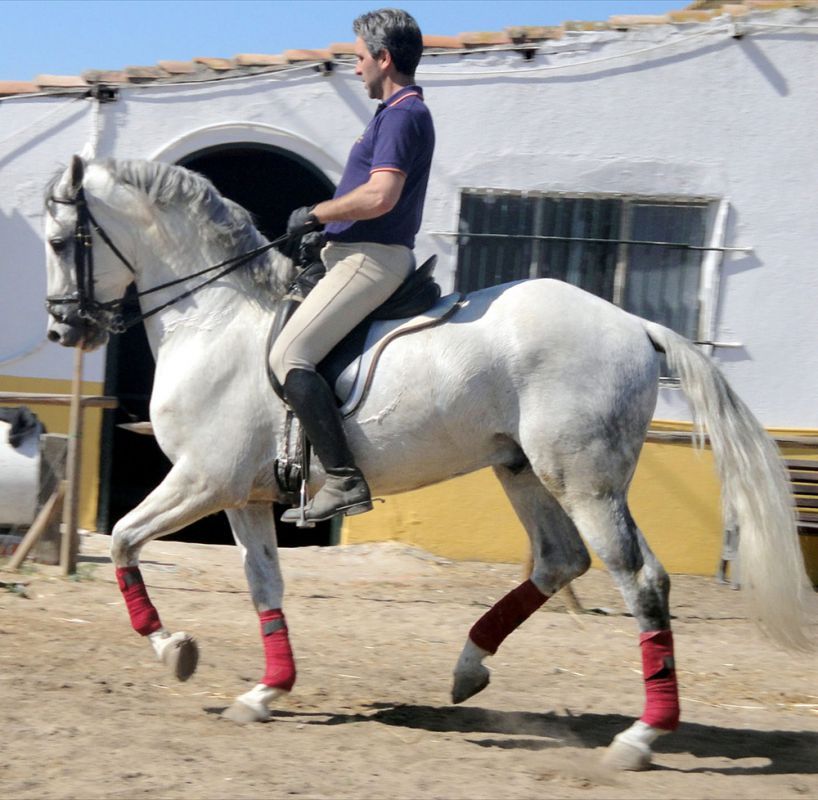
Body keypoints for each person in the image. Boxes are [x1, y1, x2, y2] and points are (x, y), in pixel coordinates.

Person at [270, 8, 435, 525]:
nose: (356, 66)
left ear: (384, 59)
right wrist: (325, 231)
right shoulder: (391, 114)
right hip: (349, 252)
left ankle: (343, 479)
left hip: (371, 259)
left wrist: (318, 212)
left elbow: (382, 196)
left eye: (360, 57)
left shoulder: (405, 113)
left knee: (290, 356)